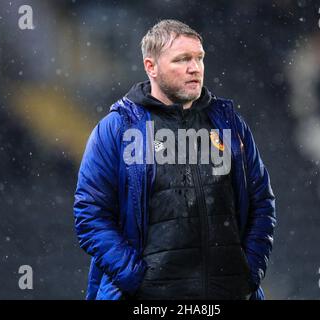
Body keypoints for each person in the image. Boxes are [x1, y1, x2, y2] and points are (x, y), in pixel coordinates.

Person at [73, 19, 276, 300]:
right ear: (151, 67)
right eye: (181, 59)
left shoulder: (230, 125)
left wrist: (249, 273)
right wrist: (135, 278)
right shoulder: (117, 129)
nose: (195, 68)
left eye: (199, 58)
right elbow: (90, 214)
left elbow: (262, 203)